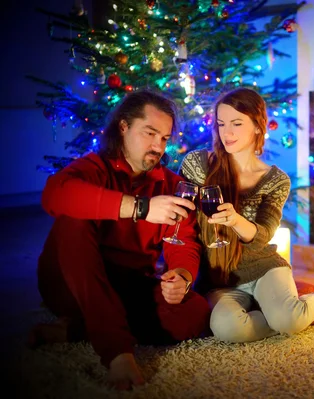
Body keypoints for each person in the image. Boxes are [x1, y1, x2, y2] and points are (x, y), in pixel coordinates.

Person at [31, 90, 211, 390]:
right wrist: (140, 208)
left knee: (195, 314)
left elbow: (184, 241)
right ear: (123, 127)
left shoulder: (171, 183)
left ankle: (76, 329)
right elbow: (53, 194)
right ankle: (116, 349)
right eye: (150, 133)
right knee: (73, 218)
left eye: (165, 138)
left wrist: (183, 275)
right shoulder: (94, 168)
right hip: (74, 283)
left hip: (128, 286)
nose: (158, 146)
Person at [179, 88, 314, 343]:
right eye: (222, 123)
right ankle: (303, 313)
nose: (227, 132)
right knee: (229, 330)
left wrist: (236, 220)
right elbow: (183, 217)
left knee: (287, 321)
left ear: (258, 127)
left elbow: (262, 237)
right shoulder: (198, 164)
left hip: (264, 269)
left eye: (237, 123)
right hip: (220, 280)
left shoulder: (276, 180)